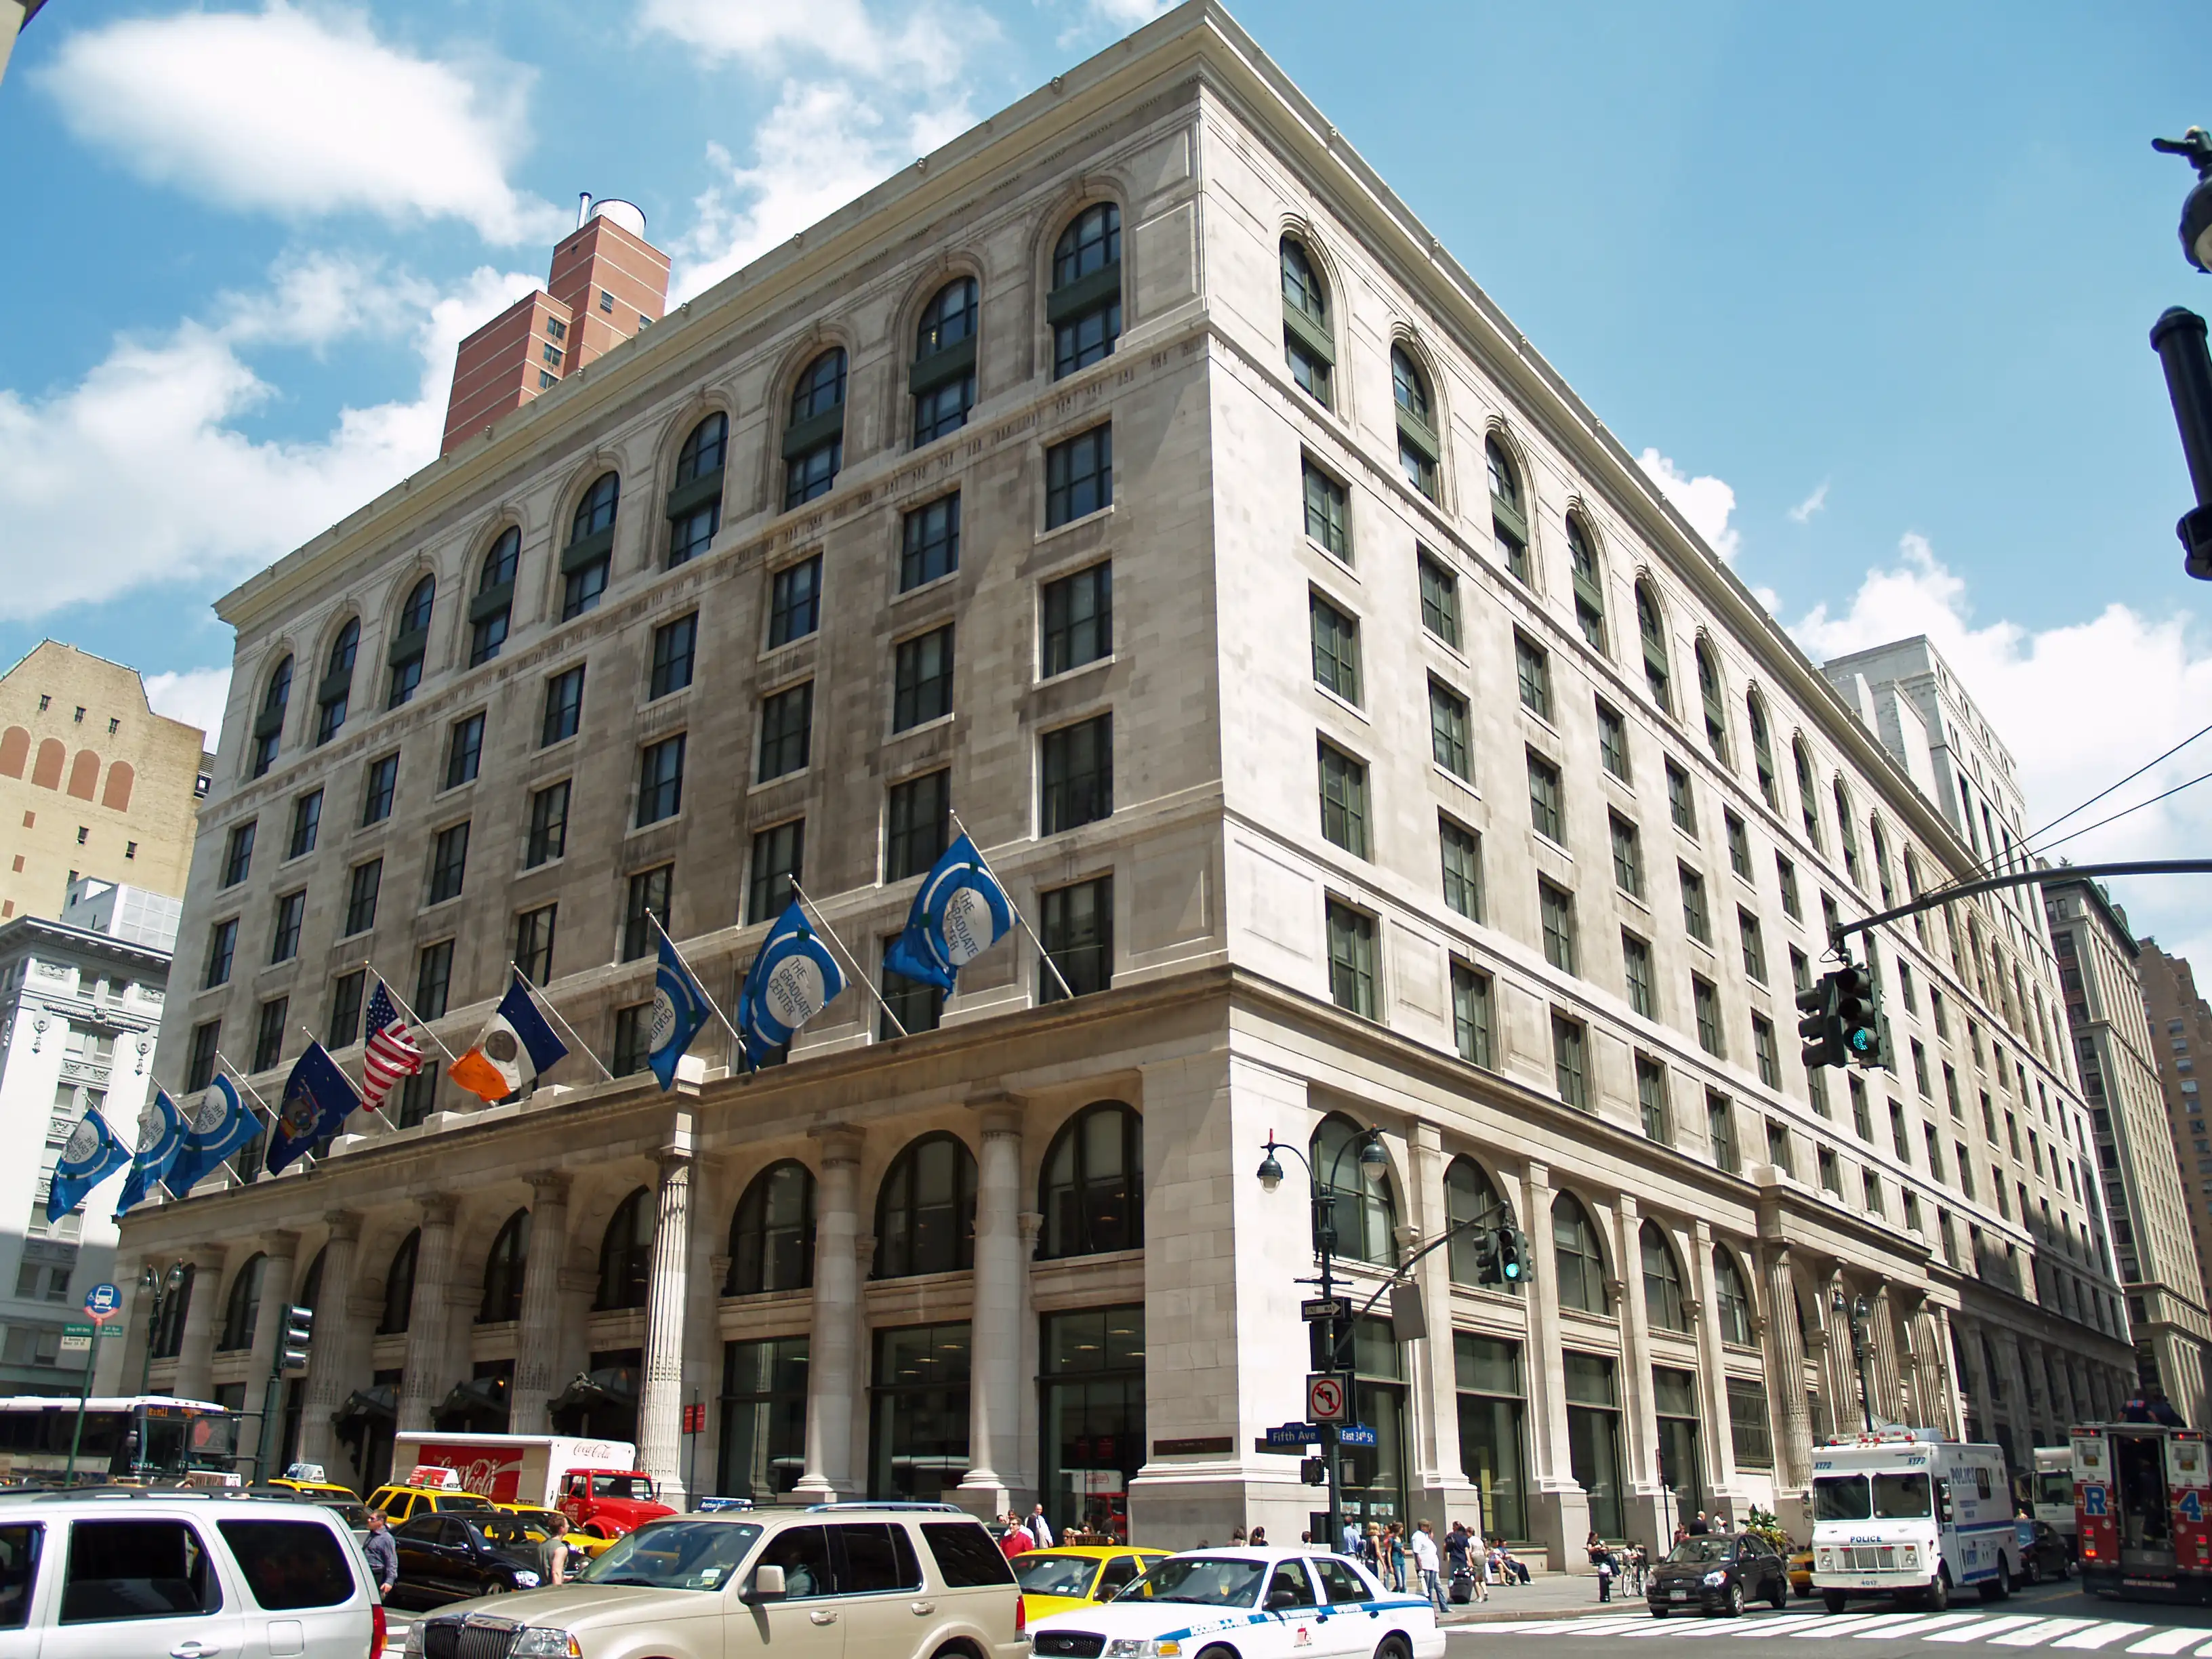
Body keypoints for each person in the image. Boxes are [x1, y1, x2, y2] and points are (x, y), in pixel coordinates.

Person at [363, 1509, 398, 1602]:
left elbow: (392, 1561)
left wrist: (389, 1582)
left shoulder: (386, 1539)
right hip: (367, 1573)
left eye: (372, 1519)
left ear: (381, 1522)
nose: (369, 1521)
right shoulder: (372, 1535)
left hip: (377, 1575)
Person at [1412, 1520, 1446, 1615]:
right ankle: (1427, 1610)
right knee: (1426, 1590)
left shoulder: (1426, 1536)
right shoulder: (1417, 1536)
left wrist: (1430, 1531)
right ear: (1422, 1526)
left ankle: (1431, 1610)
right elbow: (1416, 1552)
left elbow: (1431, 1537)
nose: (1429, 1529)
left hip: (1432, 1566)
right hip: (1425, 1566)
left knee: (1431, 1589)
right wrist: (1420, 1568)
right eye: (1427, 1526)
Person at [1587, 1530, 1614, 1601]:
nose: (1596, 1538)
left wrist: (1603, 1546)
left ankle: (1609, 1578)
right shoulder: (1590, 1543)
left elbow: (1603, 1548)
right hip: (1596, 1557)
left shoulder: (1597, 1542)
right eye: (1595, 1537)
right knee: (1610, 1558)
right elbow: (1589, 1550)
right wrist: (1596, 1547)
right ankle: (1614, 1573)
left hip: (1601, 1556)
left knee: (1611, 1558)